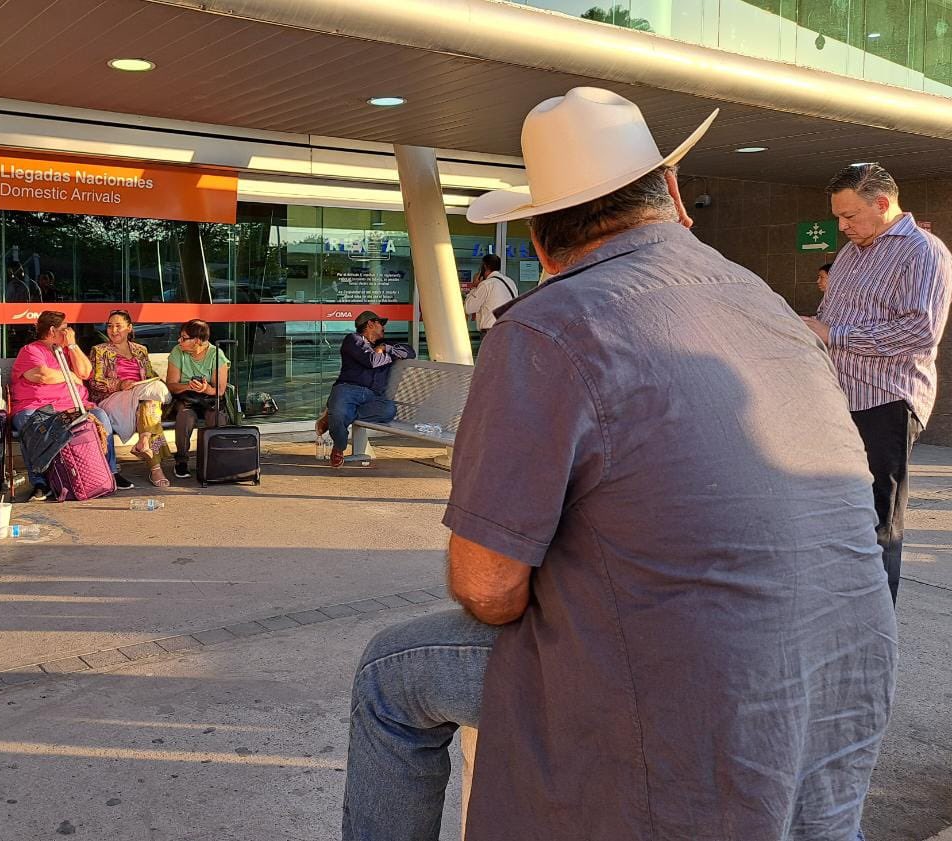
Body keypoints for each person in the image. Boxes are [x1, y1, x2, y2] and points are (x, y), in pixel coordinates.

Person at [341, 88, 896, 841]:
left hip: (693, 697)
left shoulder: (546, 327)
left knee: (389, 674)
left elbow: (488, 587)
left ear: (541, 239)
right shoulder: (766, 303)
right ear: (673, 194)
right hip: (846, 678)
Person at [801, 163, 952, 604]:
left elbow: (921, 332)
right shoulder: (851, 253)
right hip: (837, 398)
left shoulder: (923, 251)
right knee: (838, 510)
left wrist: (834, 335)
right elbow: (831, 318)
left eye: (849, 216)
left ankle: (874, 617)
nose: (842, 226)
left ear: (882, 204)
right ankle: (839, 603)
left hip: (886, 400)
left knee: (877, 517)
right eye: (837, 217)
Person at [10, 311, 131, 499]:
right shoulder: (31, 350)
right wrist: (71, 376)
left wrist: (73, 346)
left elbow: (85, 372)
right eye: (65, 328)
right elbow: (43, 375)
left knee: (100, 416)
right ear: (52, 331)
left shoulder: (67, 350)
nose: (69, 332)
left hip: (74, 404)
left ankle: (110, 471)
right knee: (28, 422)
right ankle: (40, 482)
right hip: (39, 407)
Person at [88, 310, 174, 487]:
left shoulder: (140, 350)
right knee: (154, 398)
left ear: (129, 328)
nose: (113, 330)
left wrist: (151, 381)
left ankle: (148, 448)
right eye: (110, 326)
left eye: (118, 326)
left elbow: (149, 376)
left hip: (139, 398)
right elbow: (95, 382)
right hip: (114, 399)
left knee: (150, 405)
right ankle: (153, 462)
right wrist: (120, 384)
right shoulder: (100, 350)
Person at [324, 311, 414, 468]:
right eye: (381, 323)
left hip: (373, 396)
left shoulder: (384, 344)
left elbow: (410, 352)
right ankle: (339, 445)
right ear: (370, 324)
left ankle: (337, 415)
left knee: (388, 410)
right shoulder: (353, 340)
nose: (384, 327)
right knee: (339, 414)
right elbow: (371, 361)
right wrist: (389, 355)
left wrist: (385, 348)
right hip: (348, 390)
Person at [166, 319, 228, 479]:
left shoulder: (216, 354)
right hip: (186, 398)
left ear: (198, 341)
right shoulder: (178, 352)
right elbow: (171, 385)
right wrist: (188, 386)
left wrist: (206, 389)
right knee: (185, 417)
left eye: (184, 338)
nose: (179, 341)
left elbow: (220, 390)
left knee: (217, 417)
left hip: (209, 399)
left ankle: (216, 460)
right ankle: (181, 460)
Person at [463, 253, 518, 334]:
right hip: (508, 330)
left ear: (484, 267)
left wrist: (474, 287)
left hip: (491, 331)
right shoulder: (510, 282)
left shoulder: (486, 284)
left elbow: (468, 308)